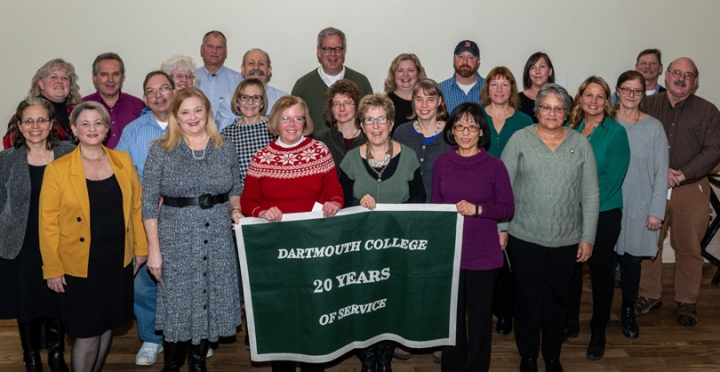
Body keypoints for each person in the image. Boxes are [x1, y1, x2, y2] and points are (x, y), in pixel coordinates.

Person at [39, 101, 148, 372]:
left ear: (107, 128)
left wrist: (141, 248)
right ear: (74, 129)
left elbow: (137, 207)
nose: (92, 128)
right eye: (85, 123)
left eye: (98, 122)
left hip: (116, 261)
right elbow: (47, 224)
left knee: (106, 324)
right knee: (87, 332)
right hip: (79, 266)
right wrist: (52, 269)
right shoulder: (58, 169)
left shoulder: (122, 161)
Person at [141, 87, 243, 372]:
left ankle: (198, 365)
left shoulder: (225, 146)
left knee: (208, 303)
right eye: (185, 111)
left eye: (198, 109)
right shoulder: (161, 151)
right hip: (176, 240)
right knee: (177, 308)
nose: (193, 117)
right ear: (175, 116)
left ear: (207, 111)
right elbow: (148, 203)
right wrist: (154, 251)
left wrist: (235, 209)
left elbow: (236, 187)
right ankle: (172, 367)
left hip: (219, 239)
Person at [241, 95, 343, 372]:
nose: (292, 124)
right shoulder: (262, 156)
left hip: (315, 248)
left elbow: (334, 190)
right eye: (286, 118)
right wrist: (261, 212)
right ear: (275, 121)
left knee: (314, 310)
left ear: (305, 121)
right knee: (282, 313)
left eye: (298, 118)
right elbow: (248, 201)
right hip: (277, 252)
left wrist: (335, 202)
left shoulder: (320, 150)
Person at [501, 83, 599, 372]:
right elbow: (503, 189)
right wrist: (501, 228)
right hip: (524, 236)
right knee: (527, 299)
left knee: (557, 301)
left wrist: (588, 236)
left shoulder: (580, 144)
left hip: (566, 239)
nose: (552, 113)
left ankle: (552, 356)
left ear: (567, 113)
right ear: (537, 110)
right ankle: (529, 356)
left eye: (559, 108)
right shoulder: (520, 140)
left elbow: (591, 193)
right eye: (546, 107)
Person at [339, 93, 425, 372]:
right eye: (369, 120)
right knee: (363, 304)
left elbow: (419, 198)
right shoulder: (351, 159)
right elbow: (338, 201)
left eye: (381, 119)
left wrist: (398, 215)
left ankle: (385, 359)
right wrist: (356, 202)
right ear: (361, 125)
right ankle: (367, 359)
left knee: (390, 304)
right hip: (360, 249)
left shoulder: (409, 156)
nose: (376, 126)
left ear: (391, 123)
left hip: (396, 247)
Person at [636, 57, 720, 326]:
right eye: (676, 72)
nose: (681, 78)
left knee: (689, 247)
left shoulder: (708, 111)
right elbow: (635, 142)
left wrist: (680, 174)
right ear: (666, 75)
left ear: (695, 82)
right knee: (649, 244)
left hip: (690, 188)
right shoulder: (647, 105)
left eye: (688, 74)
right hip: (651, 187)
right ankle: (649, 295)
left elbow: (714, 151)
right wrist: (661, 173)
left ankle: (687, 301)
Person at [433, 102, 514, 372]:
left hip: (483, 255)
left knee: (479, 323)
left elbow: (507, 208)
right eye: (459, 126)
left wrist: (477, 210)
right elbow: (435, 207)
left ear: (481, 131)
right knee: (452, 322)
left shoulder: (495, 166)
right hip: (450, 255)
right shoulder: (442, 163)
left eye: (472, 126)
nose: (465, 132)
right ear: (451, 131)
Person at [1, 98, 75, 372]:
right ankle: (30, 356)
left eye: (41, 119)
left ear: (52, 123)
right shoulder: (7, 159)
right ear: (19, 125)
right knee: (26, 302)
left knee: (55, 299)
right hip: (20, 244)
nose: (35, 126)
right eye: (28, 121)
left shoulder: (68, 154)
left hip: (58, 242)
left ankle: (57, 354)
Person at [565, 76, 630, 360]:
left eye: (599, 96)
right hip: (570, 213)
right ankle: (570, 321)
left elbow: (613, 179)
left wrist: (586, 207)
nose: (593, 101)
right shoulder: (570, 128)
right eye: (588, 95)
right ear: (580, 98)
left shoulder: (615, 132)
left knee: (601, 274)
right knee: (571, 271)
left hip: (603, 212)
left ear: (608, 101)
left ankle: (598, 329)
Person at [116, 71, 175, 366]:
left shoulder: (191, 123)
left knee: (182, 280)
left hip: (183, 216)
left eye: (164, 88)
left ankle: (188, 336)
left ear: (175, 92)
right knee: (145, 281)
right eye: (151, 91)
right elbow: (121, 176)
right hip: (143, 217)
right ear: (145, 98)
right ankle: (152, 339)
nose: (158, 95)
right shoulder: (133, 131)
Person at [613, 70, 668, 339]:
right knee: (603, 262)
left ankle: (627, 311)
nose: (631, 95)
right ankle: (599, 314)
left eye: (637, 90)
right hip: (608, 205)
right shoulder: (605, 123)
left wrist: (656, 211)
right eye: (627, 89)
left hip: (640, 205)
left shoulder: (654, 128)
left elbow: (661, 172)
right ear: (618, 90)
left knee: (632, 262)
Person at [479, 66, 533, 337]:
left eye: (505, 84)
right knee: (490, 261)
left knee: (515, 261)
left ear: (513, 89)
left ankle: (510, 312)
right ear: (486, 89)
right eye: (494, 84)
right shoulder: (476, 117)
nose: (499, 89)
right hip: (483, 201)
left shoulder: (525, 120)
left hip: (517, 198)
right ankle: (494, 310)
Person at [291, 27, 373, 134]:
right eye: (327, 49)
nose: (333, 54)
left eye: (338, 49)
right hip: (315, 149)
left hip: (355, 148)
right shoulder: (302, 85)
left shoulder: (361, 82)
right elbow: (294, 124)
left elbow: (371, 118)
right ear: (319, 51)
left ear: (344, 51)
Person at [3, 59, 82, 148]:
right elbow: (11, 154)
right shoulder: (24, 116)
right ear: (41, 84)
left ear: (70, 86)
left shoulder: (80, 113)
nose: (60, 81)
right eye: (53, 77)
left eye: (65, 78)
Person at [393, 78, 449, 202]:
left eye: (430, 99)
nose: (424, 105)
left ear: (439, 101)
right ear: (413, 102)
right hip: (406, 208)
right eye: (419, 99)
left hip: (441, 209)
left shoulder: (451, 135)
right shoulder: (401, 133)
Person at [82, 53, 144, 149]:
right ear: (95, 77)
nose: (110, 80)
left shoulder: (138, 105)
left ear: (122, 77)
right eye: (104, 75)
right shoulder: (82, 106)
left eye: (115, 74)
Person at [216, 48, 288, 130]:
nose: (256, 67)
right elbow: (223, 137)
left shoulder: (282, 99)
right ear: (243, 69)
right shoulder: (228, 101)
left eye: (261, 64)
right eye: (251, 63)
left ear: (269, 70)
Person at [221, 78, 274, 183]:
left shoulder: (274, 127)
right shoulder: (227, 134)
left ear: (262, 103)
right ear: (237, 102)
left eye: (256, 97)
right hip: (240, 196)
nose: (250, 102)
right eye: (244, 97)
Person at [315, 79, 365, 168]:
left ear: (357, 106)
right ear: (331, 108)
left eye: (347, 103)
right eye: (337, 104)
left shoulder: (368, 138)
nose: (342, 109)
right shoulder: (320, 139)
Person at [197, 30, 243, 117]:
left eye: (219, 47)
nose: (214, 51)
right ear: (201, 49)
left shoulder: (239, 81)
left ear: (226, 52)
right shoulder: (190, 78)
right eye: (210, 46)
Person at [439, 40, 485, 113]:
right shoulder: (440, 90)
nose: (465, 62)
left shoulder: (490, 88)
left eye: (470, 57)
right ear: (454, 59)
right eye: (461, 57)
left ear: (478, 61)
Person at [384, 53, 427, 130]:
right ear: (393, 75)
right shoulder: (384, 103)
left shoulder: (429, 101)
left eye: (410, 70)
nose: (405, 74)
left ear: (418, 74)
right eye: (400, 70)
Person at [518, 52, 555, 123]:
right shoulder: (517, 101)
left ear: (550, 71)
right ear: (528, 73)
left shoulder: (561, 100)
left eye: (542, 66)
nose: (537, 71)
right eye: (533, 67)